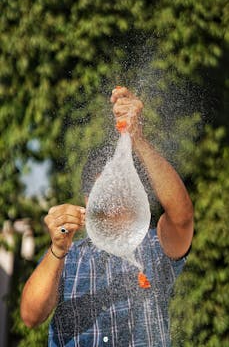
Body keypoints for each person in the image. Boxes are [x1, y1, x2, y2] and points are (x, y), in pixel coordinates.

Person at [20, 87, 194, 346]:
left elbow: (182, 218)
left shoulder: (154, 249)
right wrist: (57, 249)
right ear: (88, 200)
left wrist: (138, 139)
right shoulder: (67, 257)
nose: (115, 203)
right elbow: (30, 316)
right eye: (107, 194)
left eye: (122, 192)